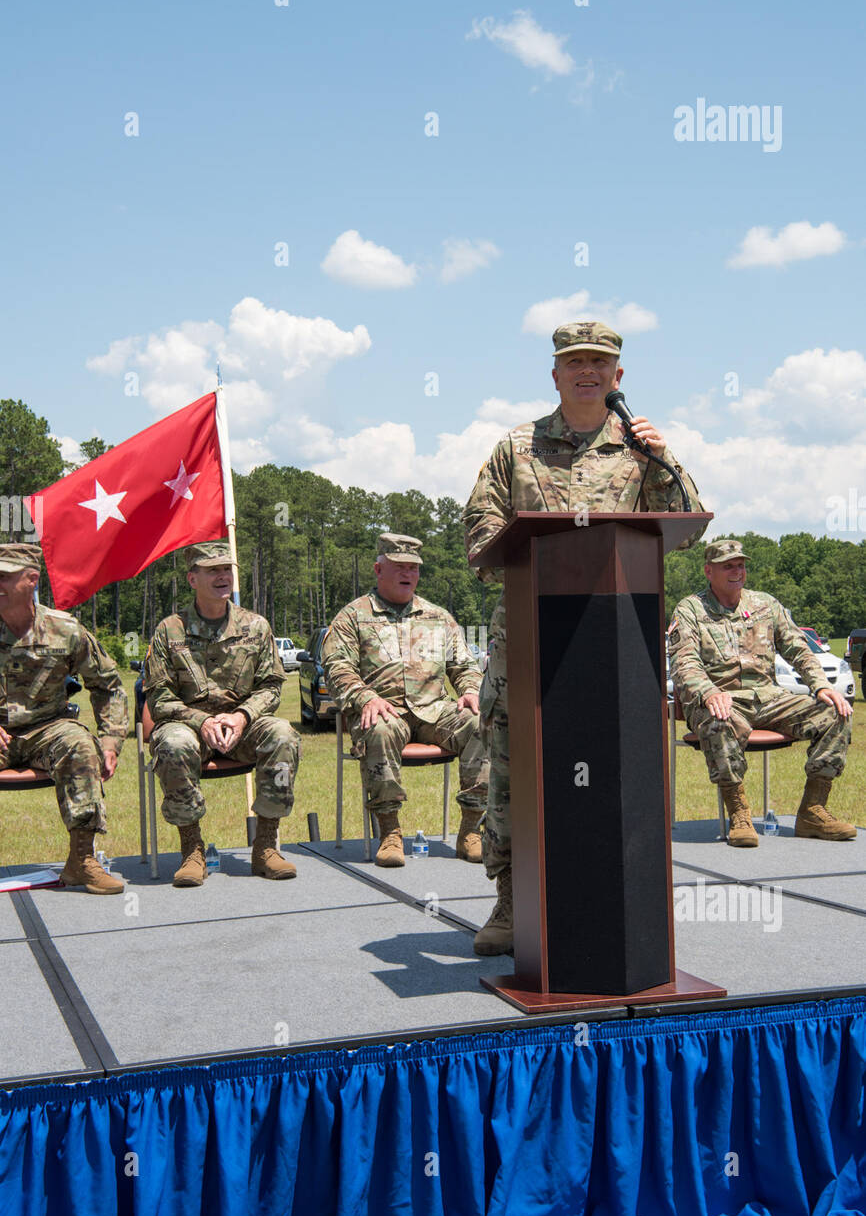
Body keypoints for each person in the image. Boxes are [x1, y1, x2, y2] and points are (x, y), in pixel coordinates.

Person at [463, 319, 707, 955]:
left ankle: (609, 900)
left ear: (618, 376)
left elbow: (688, 522)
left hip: (614, 642)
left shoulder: (640, 448)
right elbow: (479, 532)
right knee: (512, 769)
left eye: (599, 362)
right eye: (575, 362)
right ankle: (511, 900)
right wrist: (530, 548)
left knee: (611, 769)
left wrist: (663, 456)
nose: (587, 371)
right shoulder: (514, 447)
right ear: (555, 375)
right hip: (529, 636)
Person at [669, 539, 855, 846]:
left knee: (836, 712)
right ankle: (738, 813)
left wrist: (821, 685)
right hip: (722, 701)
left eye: (741, 565)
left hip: (769, 699)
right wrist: (709, 692)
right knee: (719, 719)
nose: (737, 571)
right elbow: (684, 662)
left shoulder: (765, 604)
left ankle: (813, 811)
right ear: (708, 571)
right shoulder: (690, 609)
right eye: (728, 566)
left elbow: (798, 648)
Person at [322, 533, 488, 867]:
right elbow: (336, 667)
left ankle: (471, 829)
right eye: (399, 566)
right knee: (380, 728)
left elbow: (465, 664)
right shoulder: (353, 616)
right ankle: (390, 832)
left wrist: (471, 689)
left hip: (434, 711)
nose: (407, 573)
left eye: (413, 568)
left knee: (481, 722)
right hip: (383, 711)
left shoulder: (437, 617)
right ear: (378, 570)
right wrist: (365, 697)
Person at [142, 542, 300, 886]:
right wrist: (202, 721)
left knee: (283, 735)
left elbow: (272, 686)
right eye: (212, 570)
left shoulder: (255, 626)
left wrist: (242, 716)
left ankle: (265, 846)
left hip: (243, 727)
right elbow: (158, 696)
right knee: (172, 744)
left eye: (227, 569)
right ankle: (191, 849)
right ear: (192, 579)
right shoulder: (170, 630)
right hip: (189, 727)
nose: (222, 576)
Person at [0, 543, 128, 893]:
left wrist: (111, 740)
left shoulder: (65, 629)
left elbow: (109, 686)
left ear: (31, 580)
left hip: (48, 730)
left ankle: (82, 859)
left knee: (79, 743)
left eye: (5, 577)